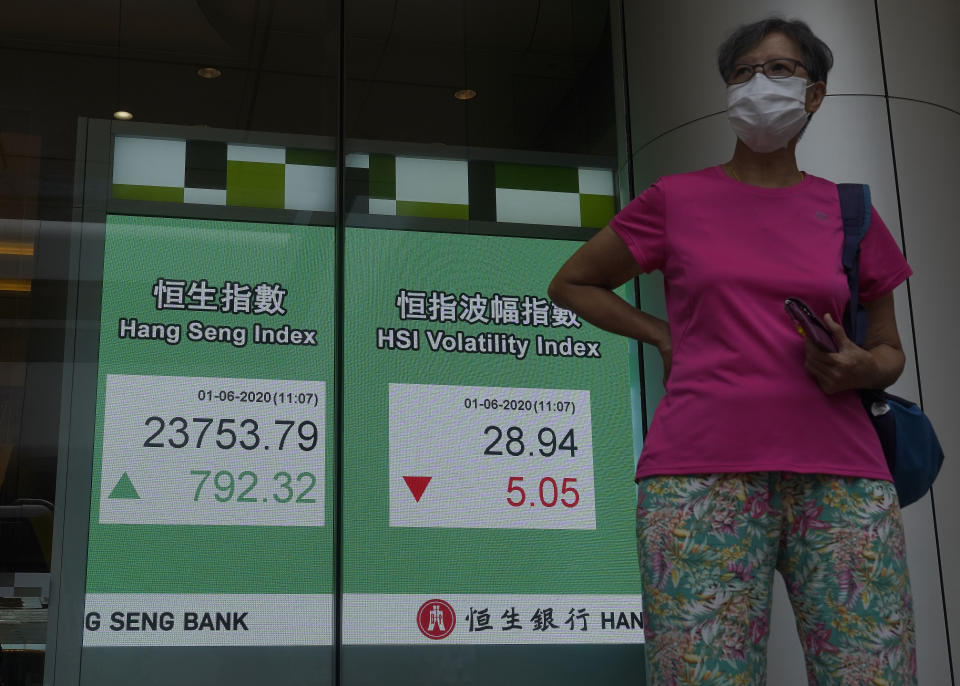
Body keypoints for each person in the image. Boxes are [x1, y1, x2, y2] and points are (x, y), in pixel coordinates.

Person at [548, 17, 916, 686]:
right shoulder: (675, 200)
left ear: (815, 94)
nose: (757, 84)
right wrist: (660, 333)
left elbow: (889, 352)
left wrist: (861, 367)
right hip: (699, 473)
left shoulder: (849, 211)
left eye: (779, 70)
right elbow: (573, 282)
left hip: (843, 477)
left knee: (873, 676)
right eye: (742, 72)